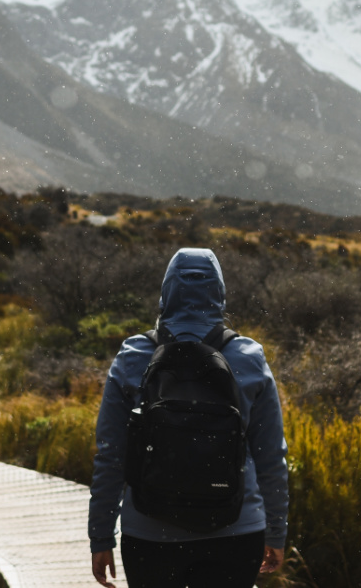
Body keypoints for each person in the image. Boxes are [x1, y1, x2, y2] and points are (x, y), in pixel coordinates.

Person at [88, 248, 288, 587]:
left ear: (166, 292)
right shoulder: (249, 357)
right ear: (219, 293)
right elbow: (271, 456)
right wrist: (277, 531)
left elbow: (111, 454)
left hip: (150, 535)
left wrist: (101, 535)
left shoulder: (134, 356)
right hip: (236, 531)